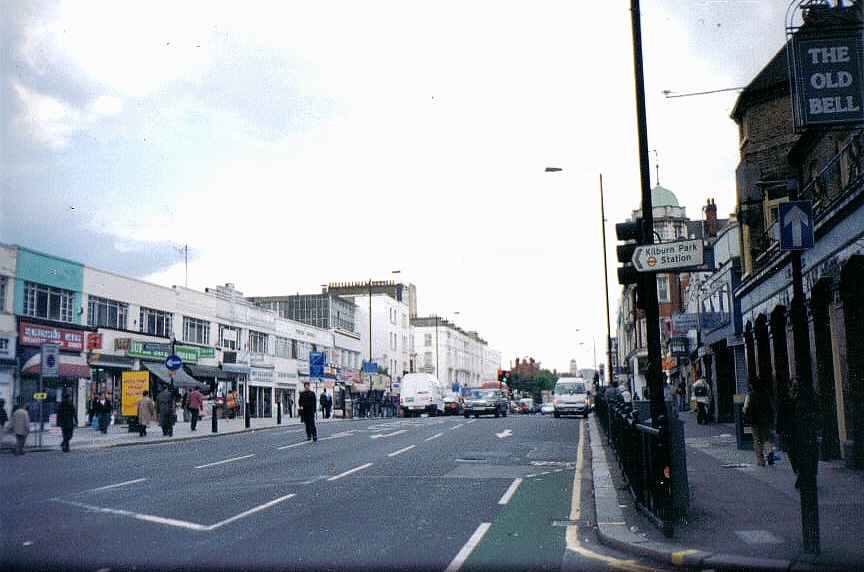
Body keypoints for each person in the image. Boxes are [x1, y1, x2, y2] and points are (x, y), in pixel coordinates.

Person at [745, 381, 775, 466]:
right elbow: (770, 407)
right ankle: (769, 451)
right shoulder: (766, 394)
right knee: (765, 438)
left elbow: (746, 408)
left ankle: (760, 460)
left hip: (755, 421)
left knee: (756, 439)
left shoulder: (750, 395)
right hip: (765, 420)